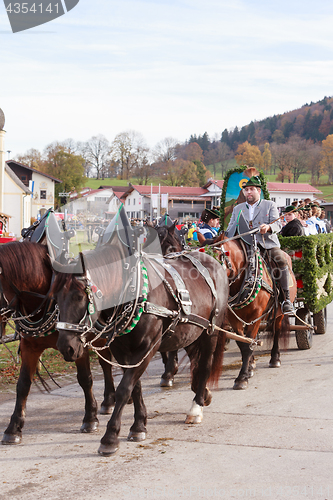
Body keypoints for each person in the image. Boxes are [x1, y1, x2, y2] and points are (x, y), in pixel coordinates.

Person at [225, 176, 294, 315]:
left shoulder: (270, 205)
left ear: (258, 191)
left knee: (281, 259)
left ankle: (286, 300)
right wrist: (225, 236)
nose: (248, 192)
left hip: (266, 243)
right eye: (246, 190)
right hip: (244, 244)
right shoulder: (238, 208)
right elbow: (231, 227)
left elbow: (278, 225)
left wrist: (268, 227)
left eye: (251, 189)